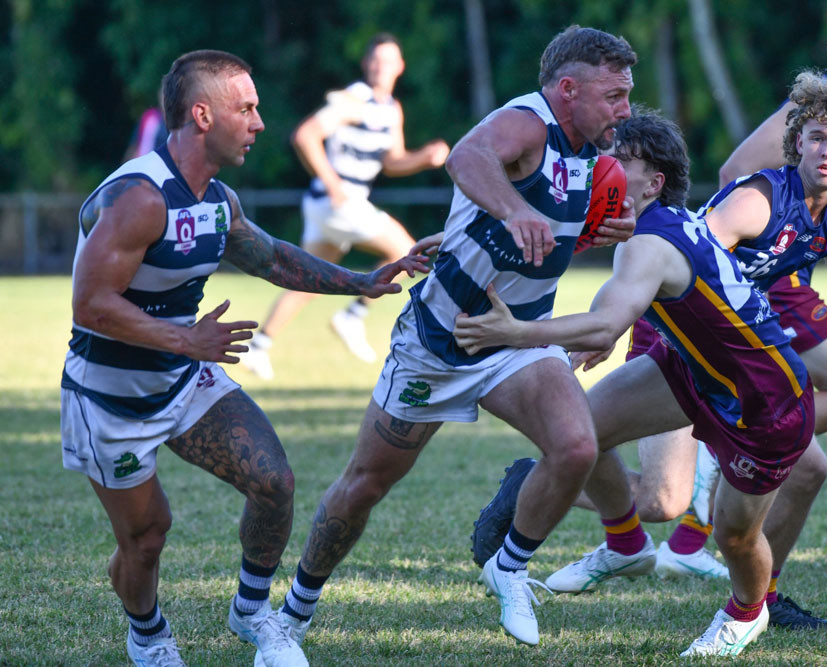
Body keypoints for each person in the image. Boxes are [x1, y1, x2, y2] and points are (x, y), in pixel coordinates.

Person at [454, 83, 827, 656]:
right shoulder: (757, 202)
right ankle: (623, 538)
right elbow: (682, 257)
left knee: (785, 487)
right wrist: (616, 319)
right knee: (601, 455)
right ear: (796, 146)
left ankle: (755, 602)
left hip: (750, 376)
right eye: (815, 138)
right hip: (679, 344)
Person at [256, 26, 637, 651]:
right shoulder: (528, 123)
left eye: (627, 95)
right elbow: (466, 158)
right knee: (365, 485)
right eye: (614, 95)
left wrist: (593, 234)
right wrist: (516, 212)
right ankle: (293, 612)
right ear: (568, 90)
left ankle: (508, 566)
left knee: (576, 448)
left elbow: (564, 219)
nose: (624, 109)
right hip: (439, 341)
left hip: (516, 339)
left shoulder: (596, 151)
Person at [60, 49, 429, 667]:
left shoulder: (217, 200)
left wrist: (360, 282)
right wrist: (186, 340)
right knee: (147, 538)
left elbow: (274, 258)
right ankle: (147, 635)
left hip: (182, 376)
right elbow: (89, 305)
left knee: (274, 482)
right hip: (110, 396)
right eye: (247, 109)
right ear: (203, 115)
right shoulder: (140, 198)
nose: (259, 123)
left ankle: (252, 612)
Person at [241, 33, 450, 377]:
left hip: (329, 207)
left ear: (400, 67)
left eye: (388, 62)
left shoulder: (390, 109)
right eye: (376, 61)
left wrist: (423, 158)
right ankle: (352, 317)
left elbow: (393, 161)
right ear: (366, 64)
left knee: (311, 280)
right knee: (408, 249)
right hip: (338, 203)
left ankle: (260, 346)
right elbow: (305, 135)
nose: (381, 68)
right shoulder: (354, 100)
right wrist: (334, 184)